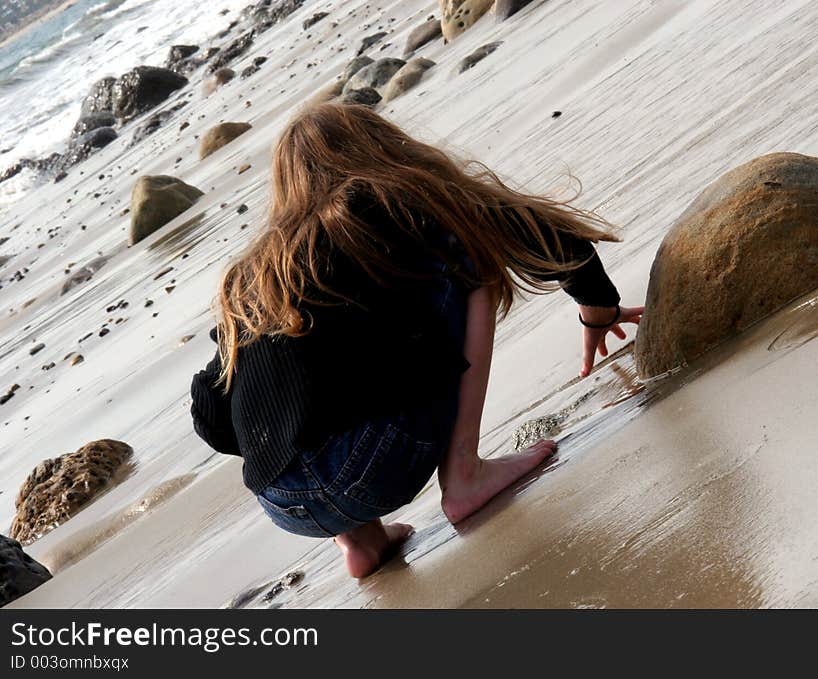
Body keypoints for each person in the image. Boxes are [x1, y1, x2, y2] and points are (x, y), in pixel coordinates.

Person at [190, 103, 643, 578]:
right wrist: (598, 310)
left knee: (307, 367)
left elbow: (211, 415)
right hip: (374, 466)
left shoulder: (255, 276)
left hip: (283, 506)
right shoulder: (383, 198)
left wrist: (286, 444)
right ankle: (464, 472)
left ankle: (360, 540)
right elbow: (536, 230)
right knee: (475, 255)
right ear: (378, 145)